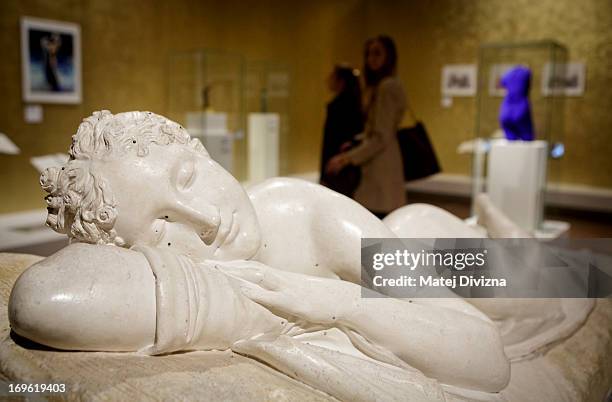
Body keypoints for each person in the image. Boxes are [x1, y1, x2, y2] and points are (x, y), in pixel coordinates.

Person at [9, 111, 510, 400]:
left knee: (417, 224)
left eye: (186, 178)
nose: (202, 217)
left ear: (204, 153)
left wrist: (331, 299)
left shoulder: (307, 214)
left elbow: (488, 359)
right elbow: (46, 297)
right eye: (161, 226)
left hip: (462, 274)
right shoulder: (202, 275)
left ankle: (511, 243)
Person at [326, 35, 407, 219]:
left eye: (378, 53)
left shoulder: (387, 87)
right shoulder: (381, 86)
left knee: (376, 230)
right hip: (379, 163)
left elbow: (381, 136)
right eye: (369, 54)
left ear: (389, 56)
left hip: (380, 167)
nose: (372, 59)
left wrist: (346, 159)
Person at [319, 64, 363, 197]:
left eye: (332, 77)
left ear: (341, 81)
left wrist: (325, 175)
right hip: (342, 167)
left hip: (337, 168)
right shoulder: (353, 103)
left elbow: (331, 141)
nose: (328, 80)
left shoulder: (341, 106)